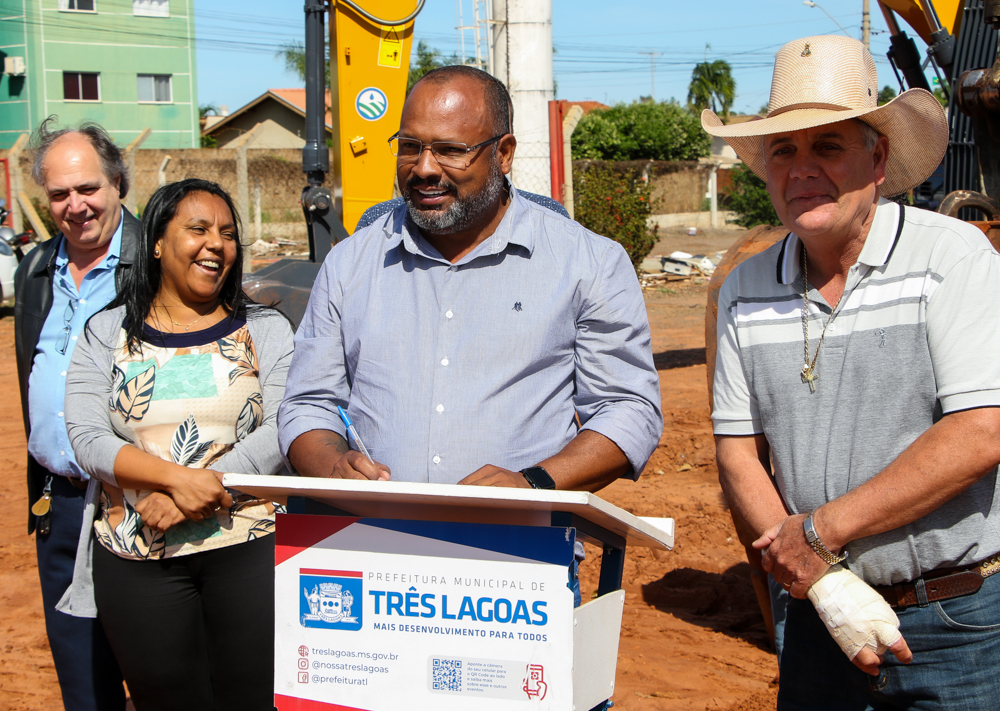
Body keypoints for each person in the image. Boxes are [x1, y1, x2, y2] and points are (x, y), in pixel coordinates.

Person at [706, 35, 1000, 709]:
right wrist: (827, 587)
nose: (802, 168)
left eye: (828, 145)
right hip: (818, 623)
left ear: (879, 157)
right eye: (784, 149)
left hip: (953, 624)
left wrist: (817, 539)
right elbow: (738, 454)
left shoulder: (952, 257)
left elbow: (981, 432)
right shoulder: (744, 288)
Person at [278, 63, 660, 493]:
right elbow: (309, 404)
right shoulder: (349, 264)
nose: (423, 167)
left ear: (504, 154)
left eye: (450, 149)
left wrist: (533, 483)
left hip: (519, 543)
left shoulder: (589, 263)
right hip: (365, 540)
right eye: (409, 146)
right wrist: (332, 465)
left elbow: (626, 408)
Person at [63, 178, 294, 711]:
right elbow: (86, 437)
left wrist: (206, 488)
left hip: (249, 548)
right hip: (141, 557)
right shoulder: (106, 333)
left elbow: (285, 423)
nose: (217, 244)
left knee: (257, 699)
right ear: (158, 242)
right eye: (198, 229)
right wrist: (174, 480)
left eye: (228, 233)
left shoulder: (267, 330)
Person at [14, 117, 130, 710]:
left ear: (117, 184)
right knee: (84, 682)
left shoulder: (159, 260)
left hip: (139, 503)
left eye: (88, 189)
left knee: (170, 671)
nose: (76, 206)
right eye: (60, 194)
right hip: (60, 503)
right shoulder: (35, 271)